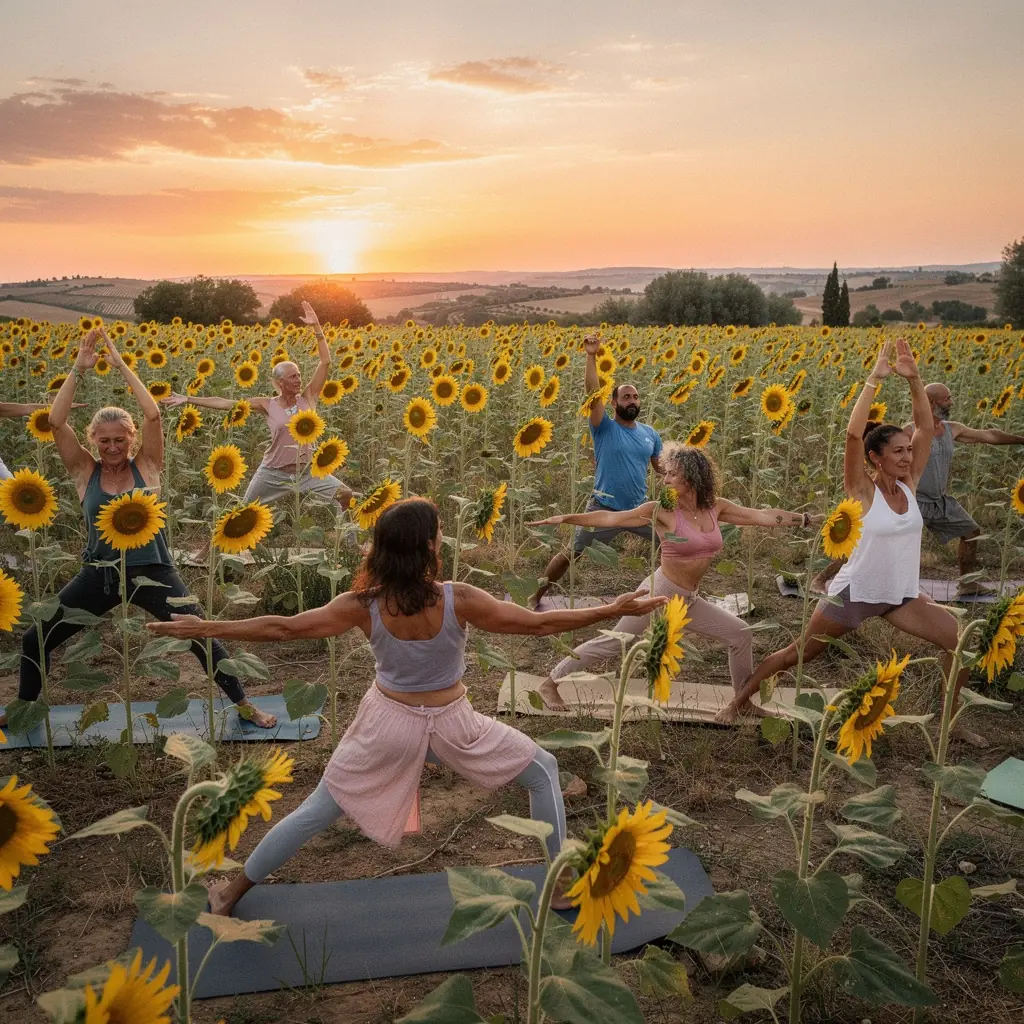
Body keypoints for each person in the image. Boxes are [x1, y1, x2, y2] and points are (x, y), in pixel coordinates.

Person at [147, 497, 667, 917]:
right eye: (438, 533)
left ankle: (230, 892)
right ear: (429, 546)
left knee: (316, 811)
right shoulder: (458, 597)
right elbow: (539, 624)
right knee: (543, 771)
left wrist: (207, 627)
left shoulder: (363, 604)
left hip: (387, 727)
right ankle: (561, 884)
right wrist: (612, 608)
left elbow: (283, 628)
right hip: (455, 726)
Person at [0, 329, 277, 731]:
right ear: (93, 440)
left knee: (198, 633)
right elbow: (56, 422)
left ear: (132, 438)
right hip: (99, 573)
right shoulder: (84, 471)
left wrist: (121, 365)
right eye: (104, 441)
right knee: (35, 638)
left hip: (154, 570)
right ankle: (22, 709)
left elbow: (153, 415)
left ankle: (245, 704)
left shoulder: (147, 466)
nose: (113, 447)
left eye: (120, 439)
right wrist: (78, 369)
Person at [717, 339, 984, 746]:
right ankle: (737, 704)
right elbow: (853, 435)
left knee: (958, 639)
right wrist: (874, 379)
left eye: (908, 451)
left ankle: (951, 721)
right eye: (898, 452)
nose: (907, 457)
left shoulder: (910, 485)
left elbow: (925, 427)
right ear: (876, 458)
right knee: (799, 654)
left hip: (900, 595)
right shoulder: (862, 491)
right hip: (854, 594)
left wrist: (915, 380)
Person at [528, 443, 822, 711]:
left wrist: (806, 520)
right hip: (658, 595)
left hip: (688, 600)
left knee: (740, 634)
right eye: (665, 473)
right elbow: (610, 518)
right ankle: (550, 683)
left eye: (671, 474)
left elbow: (762, 515)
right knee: (615, 643)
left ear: (691, 478)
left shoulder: (715, 507)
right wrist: (567, 518)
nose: (664, 479)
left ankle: (740, 701)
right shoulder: (661, 511)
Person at [813, 381, 1024, 593]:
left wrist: (1020, 439)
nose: (951, 402)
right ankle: (821, 579)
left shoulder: (952, 429)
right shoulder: (908, 432)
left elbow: (990, 435)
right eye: (946, 398)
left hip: (939, 501)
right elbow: (885, 455)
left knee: (971, 531)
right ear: (930, 402)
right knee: (867, 540)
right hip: (910, 499)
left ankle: (967, 583)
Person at [161, 302, 353, 510]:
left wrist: (316, 326)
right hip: (273, 473)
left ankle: (344, 531)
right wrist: (188, 399)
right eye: (293, 376)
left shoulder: (308, 397)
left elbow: (325, 362)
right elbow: (226, 403)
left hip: (308, 472)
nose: (298, 379)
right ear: (280, 382)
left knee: (345, 495)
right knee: (244, 510)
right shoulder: (267, 404)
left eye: (299, 375)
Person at [531, 332, 663, 607]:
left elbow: (661, 468)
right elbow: (593, 393)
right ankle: (536, 596)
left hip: (639, 510)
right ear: (613, 403)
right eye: (626, 397)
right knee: (572, 553)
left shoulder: (650, 434)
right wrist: (591, 356)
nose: (632, 401)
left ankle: (673, 595)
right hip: (604, 508)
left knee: (672, 543)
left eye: (636, 397)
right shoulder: (604, 427)